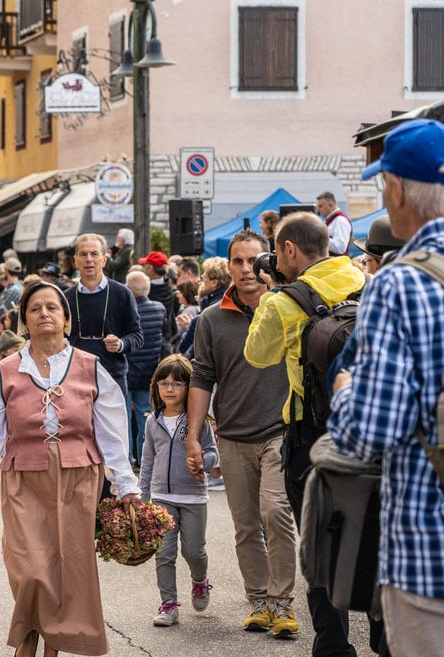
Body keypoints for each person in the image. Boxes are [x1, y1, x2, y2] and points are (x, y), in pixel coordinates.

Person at [0, 280, 140, 657]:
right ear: (24, 321)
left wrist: (126, 484)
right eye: (35, 309)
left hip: (78, 478)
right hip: (24, 478)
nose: (44, 314)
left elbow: (112, 432)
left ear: (67, 320)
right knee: (29, 567)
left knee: (69, 567)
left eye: (52, 308)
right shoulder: (6, 371)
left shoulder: (91, 368)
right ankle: (29, 637)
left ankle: (48, 644)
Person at [329, 118, 444, 656]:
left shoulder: (400, 283)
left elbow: (369, 434)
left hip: (427, 550)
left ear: (396, 190)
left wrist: (346, 388)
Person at [243, 212, 365, 653]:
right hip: (371, 426)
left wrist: (270, 295)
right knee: (375, 529)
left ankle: (333, 645)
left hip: (310, 434)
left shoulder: (282, 300)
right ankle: (387, 634)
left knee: (318, 541)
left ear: (289, 250)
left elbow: (257, 355)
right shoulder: (364, 278)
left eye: (278, 250)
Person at [183, 230, 299, 636]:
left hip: (280, 430)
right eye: (238, 262)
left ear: (267, 263)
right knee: (246, 524)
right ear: (228, 266)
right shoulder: (211, 318)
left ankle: (283, 602)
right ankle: (259, 600)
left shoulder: (287, 308)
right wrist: (193, 437)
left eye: (254, 261)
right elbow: (202, 377)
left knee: (276, 511)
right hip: (232, 434)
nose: (247, 269)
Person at [139, 355, 218, 627]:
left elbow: (214, 454)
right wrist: (143, 498)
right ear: (156, 387)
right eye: (164, 383)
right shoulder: (153, 422)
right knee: (165, 553)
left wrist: (204, 461)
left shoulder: (197, 422)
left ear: (189, 388)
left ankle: (200, 581)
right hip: (162, 498)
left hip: (194, 496)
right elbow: (147, 462)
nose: (169, 389)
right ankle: (169, 604)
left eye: (177, 383)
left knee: (194, 552)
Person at [66, 233, 143, 408]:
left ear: (104, 260)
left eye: (94, 254)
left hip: (112, 377)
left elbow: (137, 335)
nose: (89, 259)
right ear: (76, 260)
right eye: (83, 254)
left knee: (115, 433)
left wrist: (121, 344)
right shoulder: (65, 298)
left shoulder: (122, 293)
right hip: (74, 379)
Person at [125, 271, 166, 469]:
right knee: (144, 416)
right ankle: (144, 459)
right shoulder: (160, 309)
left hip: (126, 372)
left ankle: (126, 459)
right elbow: (168, 335)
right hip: (149, 372)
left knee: (123, 417)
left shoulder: (124, 312)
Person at [316, 192, 352, 258]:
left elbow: (340, 247)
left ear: (331, 205)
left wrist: (320, 238)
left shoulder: (340, 221)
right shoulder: (330, 220)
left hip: (338, 265)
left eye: (321, 206)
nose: (319, 209)